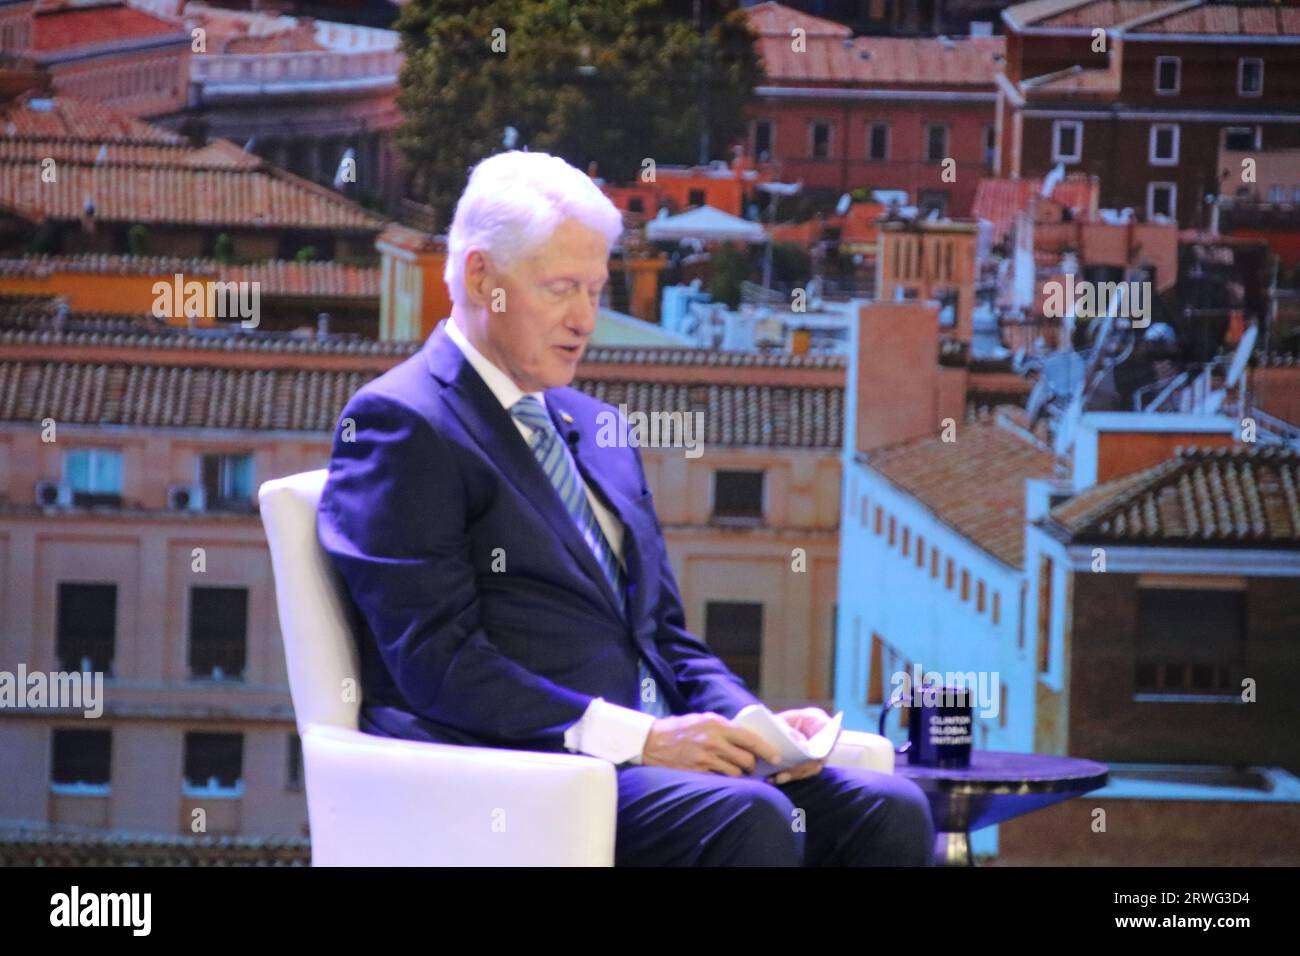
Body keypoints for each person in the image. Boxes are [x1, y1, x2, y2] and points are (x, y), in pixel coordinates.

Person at [317, 150, 934, 865]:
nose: (585, 318)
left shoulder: (598, 427)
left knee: (889, 811)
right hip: (521, 771)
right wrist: (641, 740)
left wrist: (751, 724)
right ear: (483, 278)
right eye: (560, 289)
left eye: (595, 289)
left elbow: (663, 637)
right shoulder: (404, 423)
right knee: (752, 820)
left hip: (649, 761)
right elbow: (438, 664)